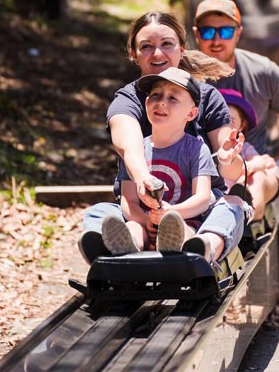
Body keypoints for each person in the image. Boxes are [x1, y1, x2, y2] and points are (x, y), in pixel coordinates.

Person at [79, 12, 246, 264]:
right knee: (98, 213)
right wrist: (144, 186)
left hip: (193, 212)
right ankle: (117, 248)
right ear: (134, 54)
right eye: (146, 47)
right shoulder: (130, 98)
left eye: (166, 44)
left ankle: (201, 247)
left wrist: (226, 157)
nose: (157, 53)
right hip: (140, 211)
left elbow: (231, 165)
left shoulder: (206, 98)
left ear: (182, 48)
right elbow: (127, 143)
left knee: (232, 206)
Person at [100, 67, 244, 260]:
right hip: (145, 222)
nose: (161, 102)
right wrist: (145, 220)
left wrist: (171, 213)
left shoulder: (196, 149)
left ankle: (188, 248)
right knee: (132, 227)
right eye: (155, 95)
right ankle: (127, 248)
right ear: (146, 102)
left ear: (191, 114)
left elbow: (202, 198)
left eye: (173, 98)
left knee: (185, 228)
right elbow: (129, 199)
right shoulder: (136, 150)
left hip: (185, 219)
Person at [192, 0, 279, 219]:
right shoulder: (185, 79)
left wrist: (277, 164)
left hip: (252, 168)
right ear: (196, 33)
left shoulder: (262, 72)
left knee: (253, 187)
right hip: (199, 172)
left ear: (238, 32)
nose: (217, 40)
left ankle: (239, 225)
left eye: (226, 32)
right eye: (208, 32)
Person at [218, 88, 279, 220]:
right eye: (218, 119)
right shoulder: (204, 147)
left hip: (240, 188)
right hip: (220, 195)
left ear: (241, 126)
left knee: (255, 177)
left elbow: (260, 163)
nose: (224, 125)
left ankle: (249, 211)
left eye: (231, 120)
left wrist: (248, 168)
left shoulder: (244, 148)